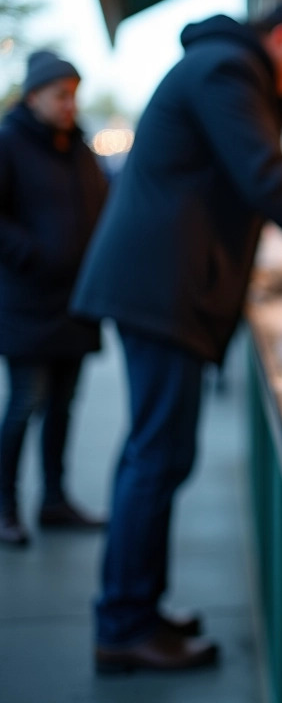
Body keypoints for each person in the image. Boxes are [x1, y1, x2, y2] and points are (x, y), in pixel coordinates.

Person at [71, 2, 282, 673]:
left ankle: (135, 606)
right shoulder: (227, 68)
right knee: (155, 456)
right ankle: (124, 622)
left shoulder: (221, 66)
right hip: (159, 288)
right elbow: (265, 177)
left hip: (161, 285)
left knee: (157, 454)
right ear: (281, 40)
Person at [0, 51, 109, 546]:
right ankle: (4, 507)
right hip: (27, 301)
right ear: (34, 95)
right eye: (59, 95)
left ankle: (54, 501)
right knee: (25, 403)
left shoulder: (79, 147)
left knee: (63, 406)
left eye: (74, 94)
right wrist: (33, 254)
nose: (70, 104)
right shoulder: (8, 143)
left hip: (75, 301)